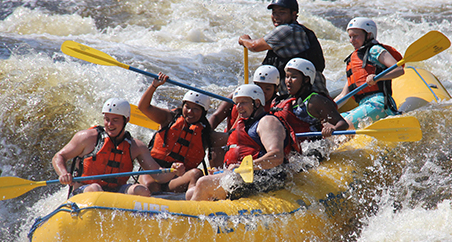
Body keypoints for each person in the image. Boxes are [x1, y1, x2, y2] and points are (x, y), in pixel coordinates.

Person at [53, 98, 185, 197]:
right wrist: (63, 173)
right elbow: (59, 156)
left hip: (116, 192)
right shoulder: (87, 138)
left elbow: (158, 175)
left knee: (141, 190)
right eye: (107, 119)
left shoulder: (136, 146)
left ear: (126, 120)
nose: (110, 124)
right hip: (85, 190)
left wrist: (174, 171)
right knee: (95, 188)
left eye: (115, 120)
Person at [188, 84, 299, 201]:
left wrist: (244, 167)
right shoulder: (246, 123)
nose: (238, 107)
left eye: (243, 102)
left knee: (203, 182)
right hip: (248, 176)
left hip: (266, 178)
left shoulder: (267, 122)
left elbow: (276, 156)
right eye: (237, 103)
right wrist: (224, 172)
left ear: (256, 103)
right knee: (190, 193)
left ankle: (192, 218)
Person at [138, 72, 227, 195]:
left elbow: (235, 137)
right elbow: (143, 107)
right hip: (154, 171)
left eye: (196, 109)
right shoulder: (168, 118)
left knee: (196, 173)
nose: (190, 112)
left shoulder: (206, 135)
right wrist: (154, 86)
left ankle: (191, 202)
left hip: (177, 179)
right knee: (152, 185)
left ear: (203, 112)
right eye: (187, 107)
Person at [238, 0, 328, 97]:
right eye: (274, 12)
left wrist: (243, 39)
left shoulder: (287, 30)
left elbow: (254, 46)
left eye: (282, 12)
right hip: (308, 94)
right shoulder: (299, 30)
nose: (276, 16)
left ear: (294, 15)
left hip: (308, 97)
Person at [334, 17, 404, 129]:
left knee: (342, 125)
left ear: (368, 35)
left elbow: (399, 70)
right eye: (350, 37)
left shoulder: (374, 50)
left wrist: (377, 78)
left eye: (355, 36)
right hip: (364, 105)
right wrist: (326, 109)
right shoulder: (354, 60)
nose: (351, 40)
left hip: (380, 103)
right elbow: (344, 95)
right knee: (333, 123)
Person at [271, 58, 348, 139]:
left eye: (293, 77)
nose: (288, 81)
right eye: (287, 76)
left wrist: (333, 129)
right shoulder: (284, 101)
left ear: (306, 79)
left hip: (313, 148)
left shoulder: (315, 100)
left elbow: (342, 123)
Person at [208, 65, 280, 131]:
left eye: (267, 89)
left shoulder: (278, 105)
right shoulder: (237, 95)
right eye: (259, 87)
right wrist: (206, 132)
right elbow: (216, 117)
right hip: (228, 139)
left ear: (276, 88)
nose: (262, 92)